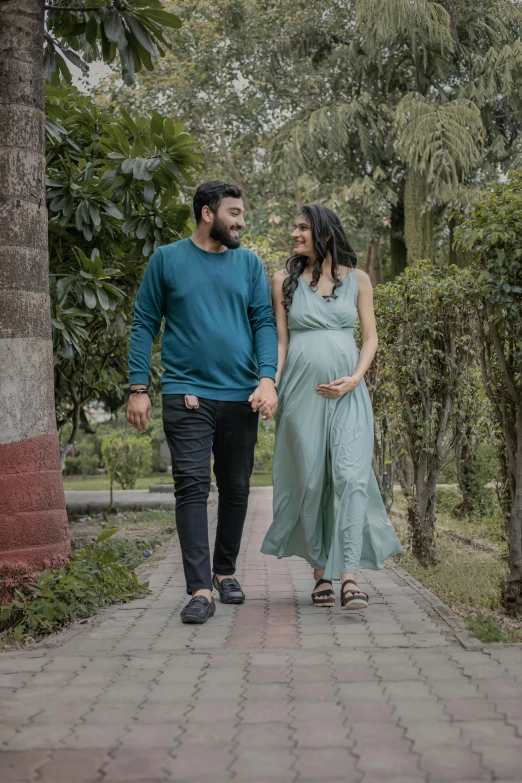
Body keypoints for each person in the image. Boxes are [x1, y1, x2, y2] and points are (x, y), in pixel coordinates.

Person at [127, 181, 278, 624]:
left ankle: (225, 571)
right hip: (185, 392)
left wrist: (267, 379)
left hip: (240, 395)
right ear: (207, 213)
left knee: (236, 488)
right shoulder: (167, 260)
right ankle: (198, 589)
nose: (241, 221)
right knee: (191, 488)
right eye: (234, 212)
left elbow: (263, 323)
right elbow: (143, 324)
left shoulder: (248, 263)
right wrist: (138, 388)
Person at [261, 205, 402, 609]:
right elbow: (283, 341)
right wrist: (271, 385)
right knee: (309, 482)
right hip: (301, 395)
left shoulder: (358, 280)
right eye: (294, 226)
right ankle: (320, 572)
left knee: (351, 477)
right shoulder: (283, 281)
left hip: (349, 394)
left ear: (324, 233)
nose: (294, 233)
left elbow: (370, 337)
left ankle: (351, 575)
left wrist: (356, 377)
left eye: (302, 227)